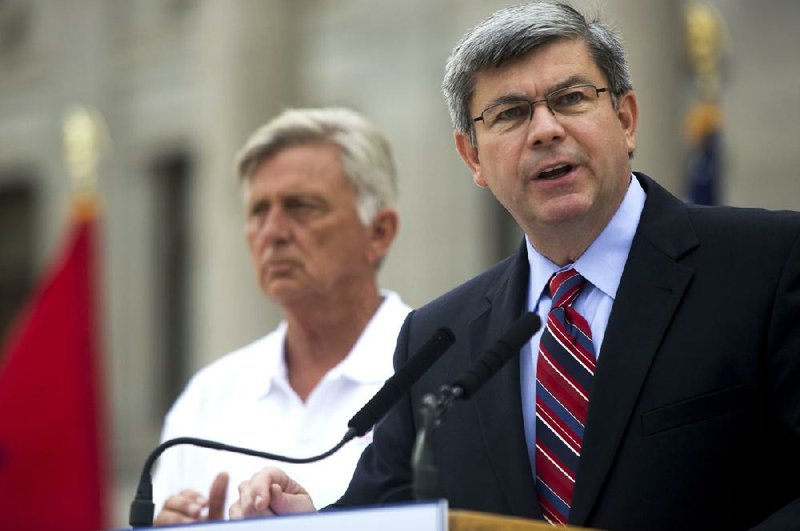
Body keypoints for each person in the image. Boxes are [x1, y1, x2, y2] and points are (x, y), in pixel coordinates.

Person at [230, 3, 800, 529]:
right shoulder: (436, 341)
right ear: (473, 156)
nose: (546, 129)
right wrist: (303, 519)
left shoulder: (768, 265)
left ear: (626, 119)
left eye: (572, 98)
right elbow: (387, 513)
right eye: (511, 114)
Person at [151, 107, 412, 525]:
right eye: (258, 211)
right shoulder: (208, 398)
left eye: (302, 207)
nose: (272, 232)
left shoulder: (435, 374)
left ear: (378, 232)